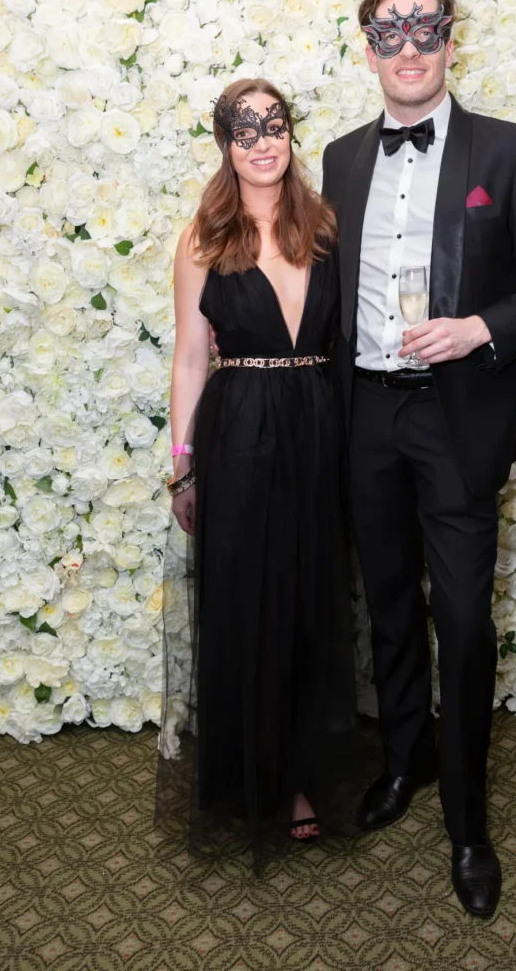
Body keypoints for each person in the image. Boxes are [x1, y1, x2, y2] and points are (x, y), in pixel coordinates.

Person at [321, 0, 516, 917]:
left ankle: (469, 828)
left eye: (424, 32)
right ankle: (407, 760)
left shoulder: (510, 151)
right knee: (387, 606)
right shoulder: (340, 156)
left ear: (447, 44)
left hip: (456, 419)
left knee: (463, 624)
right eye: (389, 35)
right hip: (365, 417)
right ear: (367, 49)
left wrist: (478, 327)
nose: (408, 49)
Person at [155, 78, 358, 861]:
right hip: (239, 429)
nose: (263, 141)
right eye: (245, 131)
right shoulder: (203, 235)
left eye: (274, 126)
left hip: (318, 424)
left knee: (313, 599)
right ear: (224, 144)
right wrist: (183, 466)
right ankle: (254, 776)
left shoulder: (328, 225)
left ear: (290, 134)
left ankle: (303, 773)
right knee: (249, 600)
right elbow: (188, 357)